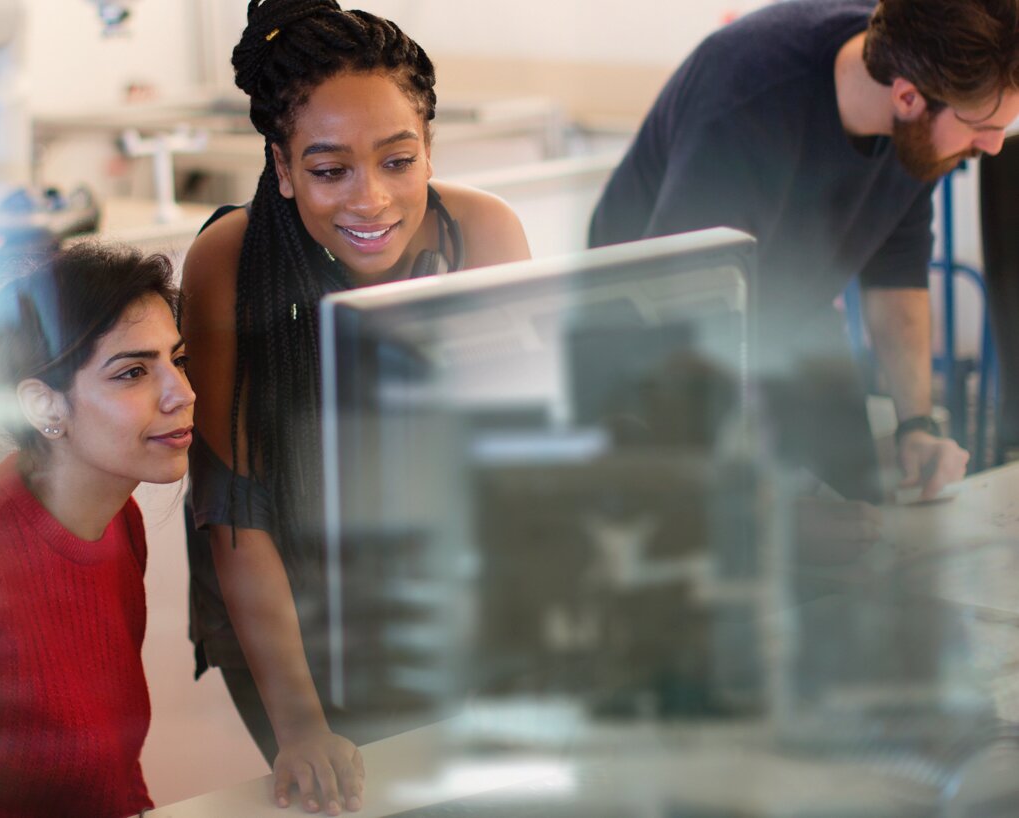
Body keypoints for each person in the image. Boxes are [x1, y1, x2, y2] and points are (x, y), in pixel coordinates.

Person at [180, 1, 530, 813]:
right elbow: (239, 514)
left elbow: (512, 467)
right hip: (277, 599)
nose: (370, 200)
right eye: (330, 169)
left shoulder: (481, 234)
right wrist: (301, 723)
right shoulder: (230, 262)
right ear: (281, 165)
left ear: (429, 148)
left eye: (399, 161)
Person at [589, 0, 1019, 505]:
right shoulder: (746, 107)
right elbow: (681, 321)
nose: (993, 146)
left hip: (790, 304)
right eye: (980, 126)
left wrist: (916, 427)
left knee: (859, 498)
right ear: (907, 98)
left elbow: (897, 274)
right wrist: (777, 503)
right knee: (760, 534)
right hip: (649, 324)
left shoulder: (920, 97)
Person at [0, 242, 195, 817]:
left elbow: (116, 771)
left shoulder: (117, 521)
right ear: (45, 407)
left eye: (178, 361)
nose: (183, 394)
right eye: (133, 372)